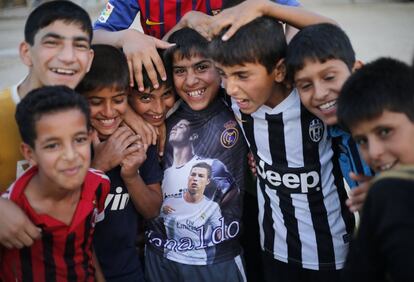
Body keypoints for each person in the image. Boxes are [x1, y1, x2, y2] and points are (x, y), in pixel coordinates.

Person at [210, 17, 355, 282]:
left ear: (279, 71)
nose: (231, 87)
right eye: (224, 75)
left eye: (242, 75)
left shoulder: (313, 101)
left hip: (331, 250)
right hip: (274, 248)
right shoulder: (237, 103)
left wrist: (267, 7)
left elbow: (327, 34)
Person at [144, 27, 249, 282]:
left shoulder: (241, 109)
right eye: (180, 71)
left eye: (202, 67)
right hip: (161, 256)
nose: (191, 81)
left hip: (218, 258)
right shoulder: (159, 116)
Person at [0, 0, 94, 250]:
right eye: (52, 43)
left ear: (90, 58)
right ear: (26, 52)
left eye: (79, 45)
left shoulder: (98, 112)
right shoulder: (1, 110)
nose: (67, 57)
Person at [92, 0, 340, 91]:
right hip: (178, 92)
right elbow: (91, 36)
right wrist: (125, 37)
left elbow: (296, 17)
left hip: (236, 91)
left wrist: (287, 68)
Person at [0, 86, 110, 281]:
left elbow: (87, 245)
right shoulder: (10, 211)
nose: (70, 155)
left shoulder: (99, 185)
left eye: (79, 139)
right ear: (29, 154)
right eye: (53, 145)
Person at [75, 44, 163, 282]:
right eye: (95, 101)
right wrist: (98, 167)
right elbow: (62, 213)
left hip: (128, 270)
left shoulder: (139, 141)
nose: (108, 111)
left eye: (118, 100)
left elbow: (153, 210)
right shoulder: (71, 145)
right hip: (78, 270)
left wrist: (131, 176)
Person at [336, 57, 414, 282]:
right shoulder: (384, 194)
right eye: (362, 140)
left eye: (385, 132)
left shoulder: (387, 194)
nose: (374, 152)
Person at [284, 23, 374, 212]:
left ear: (357, 71)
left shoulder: (388, 121)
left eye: (329, 77)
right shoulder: (333, 132)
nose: (320, 94)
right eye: (306, 86)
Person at [161, 162, 223, 261]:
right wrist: (162, 211)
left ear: (208, 181)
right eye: (193, 174)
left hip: (199, 260)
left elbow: (220, 233)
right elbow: (153, 218)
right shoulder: (170, 201)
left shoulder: (213, 207)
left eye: (200, 176)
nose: (195, 178)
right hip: (171, 258)